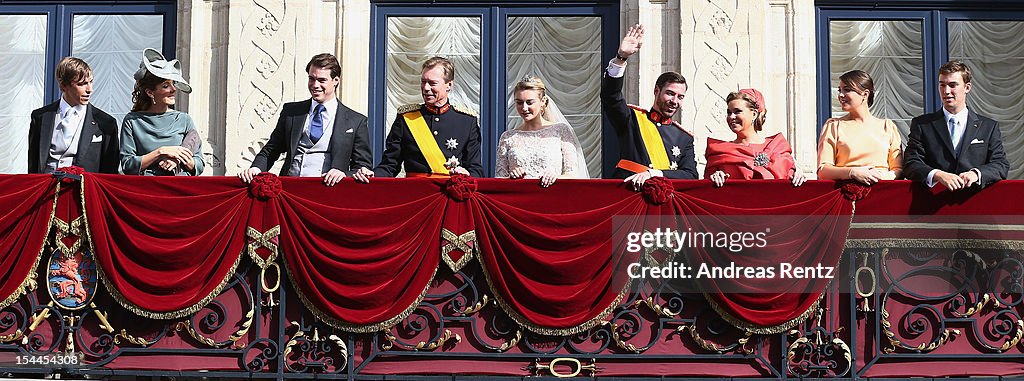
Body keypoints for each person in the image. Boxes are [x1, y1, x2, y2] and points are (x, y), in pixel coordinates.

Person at [239, 53, 371, 186]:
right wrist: (256, 169)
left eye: (321, 80)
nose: (315, 85)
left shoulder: (356, 121)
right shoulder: (292, 112)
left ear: (336, 80)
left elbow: (362, 167)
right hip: (290, 189)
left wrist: (343, 174)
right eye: (311, 79)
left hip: (330, 192)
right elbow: (271, 149)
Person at [354, 56, 483, 183]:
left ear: (449, 85)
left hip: (449, 196)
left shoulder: (466, 122)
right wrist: (373, 174)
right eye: (423, 82)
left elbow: (476, 170)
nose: (426, 88)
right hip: (416, 195)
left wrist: (467, 174)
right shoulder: (406, 119)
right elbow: (390, 166)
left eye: (432, 83)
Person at [602, 24, 698, 189]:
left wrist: (654, 174)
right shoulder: (632, 119)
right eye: (670, 93)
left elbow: (690, 175)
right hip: (628, 197)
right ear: (656, 91)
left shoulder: (684, 137)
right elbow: (611, 97)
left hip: (664, 206)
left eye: (680, 97)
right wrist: (621, 58)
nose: (674, 101)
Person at [904, 60, 1008, 190]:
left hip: (975, 202)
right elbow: (911, 164)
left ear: (967, 87)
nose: (946, 91)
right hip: (933, 203)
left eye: (953, 85)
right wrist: (938, 174)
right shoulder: (922, 125)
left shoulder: (989, 127)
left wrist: (976, 174)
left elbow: (1000, 165)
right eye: (942, 85)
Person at [120, 48, 204, 176]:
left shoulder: (184, 120)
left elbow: (198, 164)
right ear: (150, 92)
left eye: (173, 84)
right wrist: (161, 152)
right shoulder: (132, 121)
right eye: (166, 86)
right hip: (146, 190)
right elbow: (127, 165)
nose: (173, 90)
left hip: (178, 190)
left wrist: (179, 159)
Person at [28, 57, 118, 174]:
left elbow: (109, 171)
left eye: (91, 82)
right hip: (47, 188)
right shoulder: (40, 117)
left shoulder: (106, 123)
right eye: (82, 84)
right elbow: (33, 166)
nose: (89, 89)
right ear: (63, 86)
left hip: (84, 190)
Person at [495, 76, 588, 187]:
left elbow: (573, 174)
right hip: (519, 198)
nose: (524, 108)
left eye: (529, 103)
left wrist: (556, 177)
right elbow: (499, 179)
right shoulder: (508, 137)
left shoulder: (560, 131)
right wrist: (512, 177)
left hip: (552, 197)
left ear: (542, 101)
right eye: (519, 103)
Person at [817, 70, 903, 185]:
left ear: (865, 94)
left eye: (847, 90)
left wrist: (881, 177)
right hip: (847, 195)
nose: (840, 95)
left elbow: (898, 169)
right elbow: (823, 171)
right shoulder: (833, 126)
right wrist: (852, 172)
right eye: (839, 90)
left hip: (882, 193)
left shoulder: (888, 127)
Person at [705, 88, 805, 187]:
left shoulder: (778, 147)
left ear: (754, 114)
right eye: (729, 112)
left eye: (737, 111)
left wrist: (798, 178)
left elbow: (789, 178)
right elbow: (706, 191)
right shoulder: (719, 151)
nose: (731, 117)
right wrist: (714, 178)